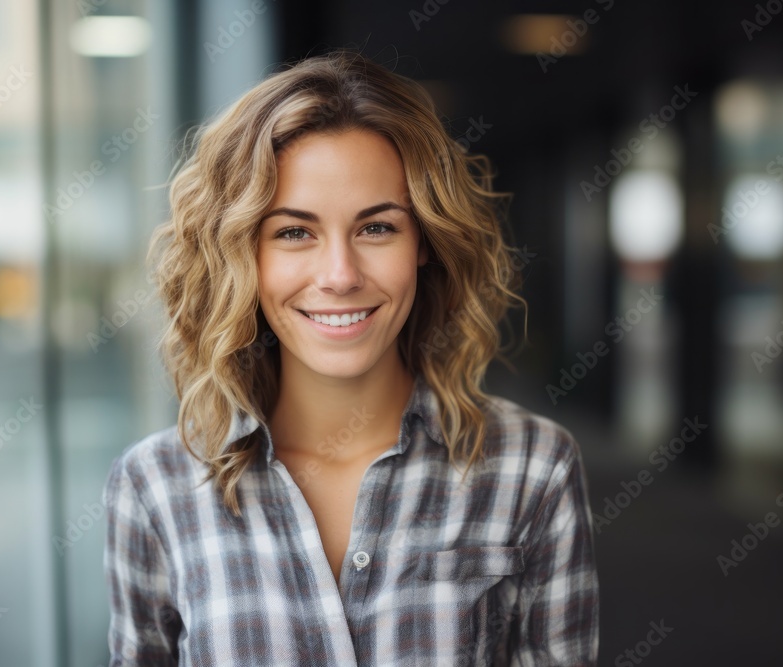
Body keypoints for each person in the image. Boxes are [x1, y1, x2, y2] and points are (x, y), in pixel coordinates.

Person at [103, 48, 599, 666]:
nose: (339, 276)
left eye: (376, 228)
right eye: (293, 232)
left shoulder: (533, 467)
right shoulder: (154, 487)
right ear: (241, 256)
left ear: (424, 242)